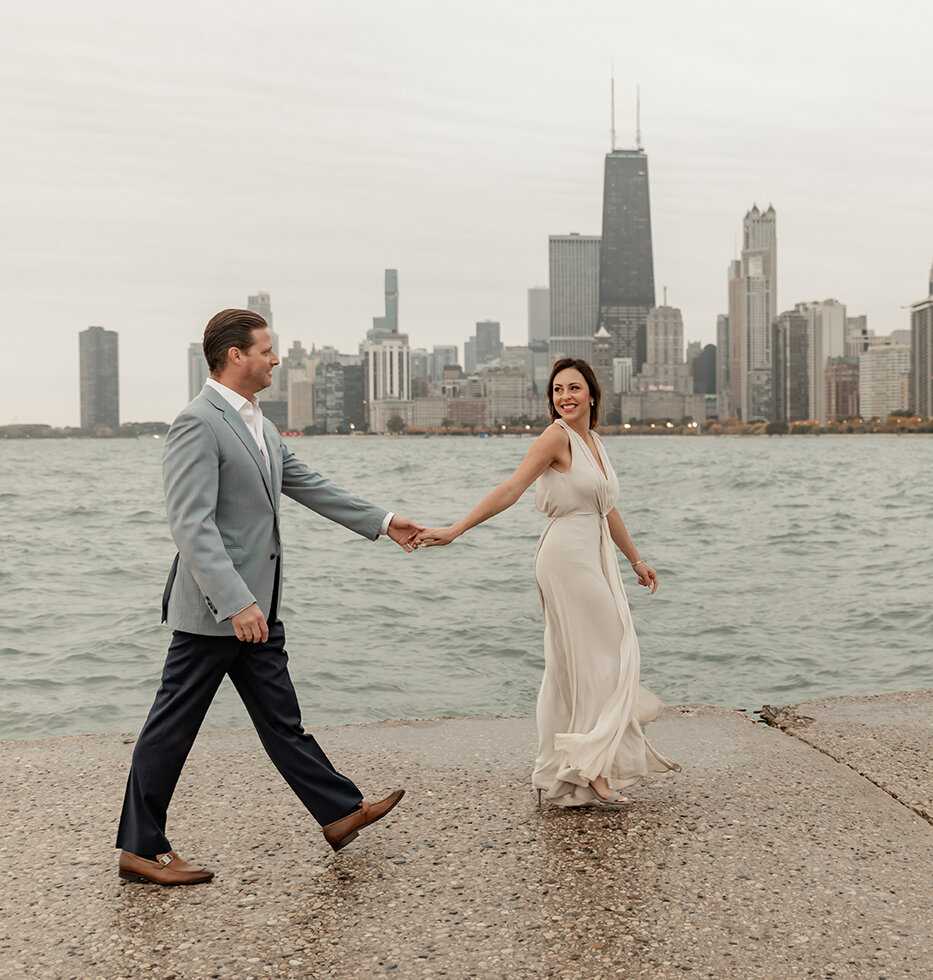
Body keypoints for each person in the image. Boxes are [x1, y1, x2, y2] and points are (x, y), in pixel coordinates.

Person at [115, 308, 422, 885]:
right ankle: (140, 847)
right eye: (266, 350)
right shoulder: (196, 422)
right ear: (235, 356)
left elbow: (309, 484)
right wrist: (234, 601)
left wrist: (384, 522)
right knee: (171, 726)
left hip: (259, 606)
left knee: (283, 721)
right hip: (219, 612)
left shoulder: (261, 424)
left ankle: (338, 812)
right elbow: (191, 525)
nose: (275, 359)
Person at [416, 358, 678, 807]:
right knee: (595, 655)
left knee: (593, 656)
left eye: (574, 388)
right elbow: (510, 489)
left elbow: (606, 507)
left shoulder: (593, 440)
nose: (565, 397)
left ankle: (580, 760)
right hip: (565, 557)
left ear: (592, 394)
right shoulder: (555, 437)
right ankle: (589, 767)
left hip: (595, 555)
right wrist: (455, 529)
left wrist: (635, 558)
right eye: (557, 390)